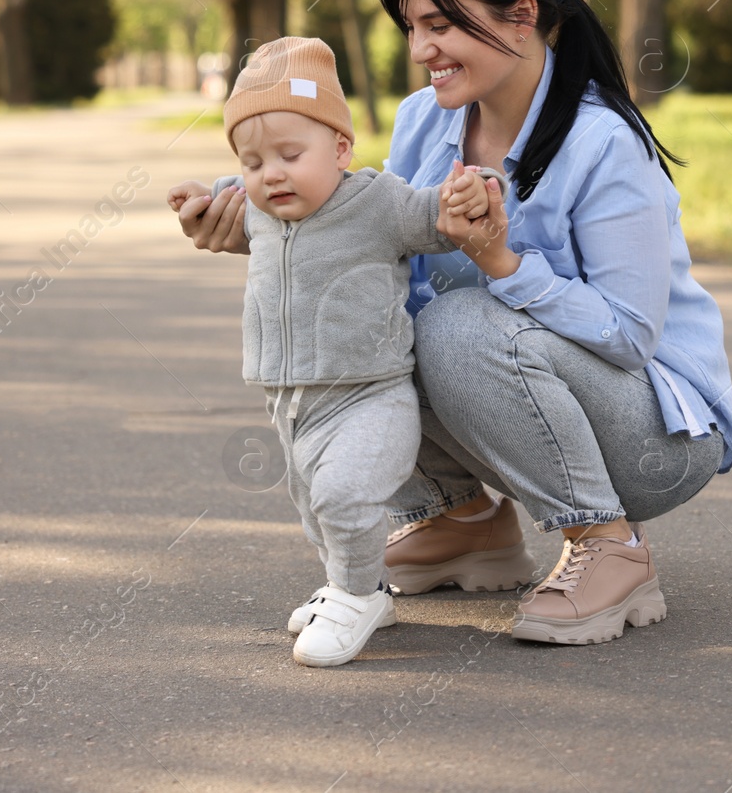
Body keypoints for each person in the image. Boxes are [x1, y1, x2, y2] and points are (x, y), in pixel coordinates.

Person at [171, 0, 732, 648]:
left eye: (440, 23)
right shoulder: (424, 120)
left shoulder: (604, 143)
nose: (420, 47)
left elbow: (629, 335)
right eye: (412, 26)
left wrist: (501, 262)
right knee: (365, 326)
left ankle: (609, 543)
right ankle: (461, 519)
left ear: (521, 15)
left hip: (652, 438)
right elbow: (370, 234)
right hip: (533, 401)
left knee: (455, 325)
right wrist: (259, 221)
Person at [174, 36, 503, 667]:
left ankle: (354, 597)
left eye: (291, 155)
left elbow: (437, 213)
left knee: (344, 497)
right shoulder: (263, 208)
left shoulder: (377, 203)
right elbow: (219, 205)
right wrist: (197, 200)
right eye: (252, 160)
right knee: (314, 509)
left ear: (341, 147)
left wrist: (476, 190)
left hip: (369, 394)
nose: (271, 173)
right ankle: (358, 586)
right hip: (291, 401)